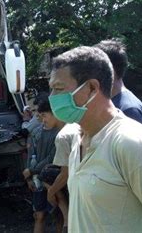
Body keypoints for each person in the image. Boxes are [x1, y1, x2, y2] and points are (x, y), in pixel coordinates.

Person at [48, 46, 142, 232]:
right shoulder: (77, 139)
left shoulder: (131, 142)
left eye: (59, 89)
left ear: (91, 88)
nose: (52, 98)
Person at [37, 95, 81, 232]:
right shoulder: (78, 125)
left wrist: (51, 191)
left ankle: (67, 222)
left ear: (55, 112)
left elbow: (65, 173)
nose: (43, 121)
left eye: (44, 116)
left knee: (46, 174)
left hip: (76, 188)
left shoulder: (63, 136)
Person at [94, 39, 142, 131]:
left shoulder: (129, 109)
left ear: (110, 70)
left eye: (94, 67)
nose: (89, 74)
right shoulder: (113, 103)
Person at [22, 93, 60, 233]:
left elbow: (51, 158)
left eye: (42, 114)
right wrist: (29, 175)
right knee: (39, 214)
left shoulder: (60, 133)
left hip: (53, 178)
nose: (39, 117)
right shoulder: (36, 132)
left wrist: (31, 171)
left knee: (58, 214)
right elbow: (32, 155)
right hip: (38, 180)